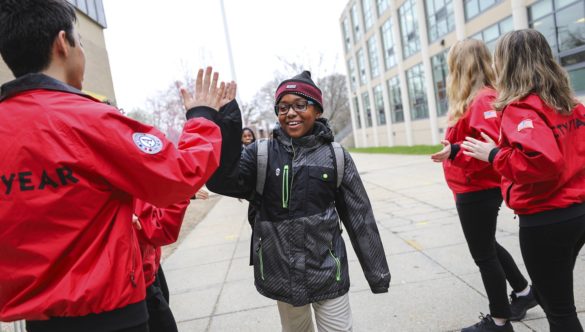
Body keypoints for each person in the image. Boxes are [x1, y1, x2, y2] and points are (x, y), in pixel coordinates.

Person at [0, 1, 226, 331]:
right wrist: (202, 117)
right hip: (111, 313)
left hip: (38, 321)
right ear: (63, 43)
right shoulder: (89, 120)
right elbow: (178, 175)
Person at [206, 71, 390, 331]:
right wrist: (227, 121)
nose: (290, 112)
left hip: (328, 272)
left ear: (317, 110)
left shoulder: (335, 156)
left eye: (299, 105)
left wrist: (378, 274)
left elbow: (360, 218)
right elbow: (219, 180)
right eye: (283, 107)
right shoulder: (261, 154)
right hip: (281, 274)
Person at [462, 29, 585, 332]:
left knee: (559, 310)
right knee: (550, 296)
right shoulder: (570, 103)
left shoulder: (521, 107)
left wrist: (494, 155)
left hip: (547, 219)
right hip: (576, 213)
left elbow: (543, 161)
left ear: (507, 63)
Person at [431, 39, 536, 332]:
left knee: (484, 255)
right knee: (487, 245)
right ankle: (525, 293)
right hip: (471, 187)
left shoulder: (482, 100)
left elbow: (491, 150)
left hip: (477, 189)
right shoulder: (477, 99)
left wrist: (454, 151)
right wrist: (453, 148)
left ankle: (500, 321)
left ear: (460, 67)